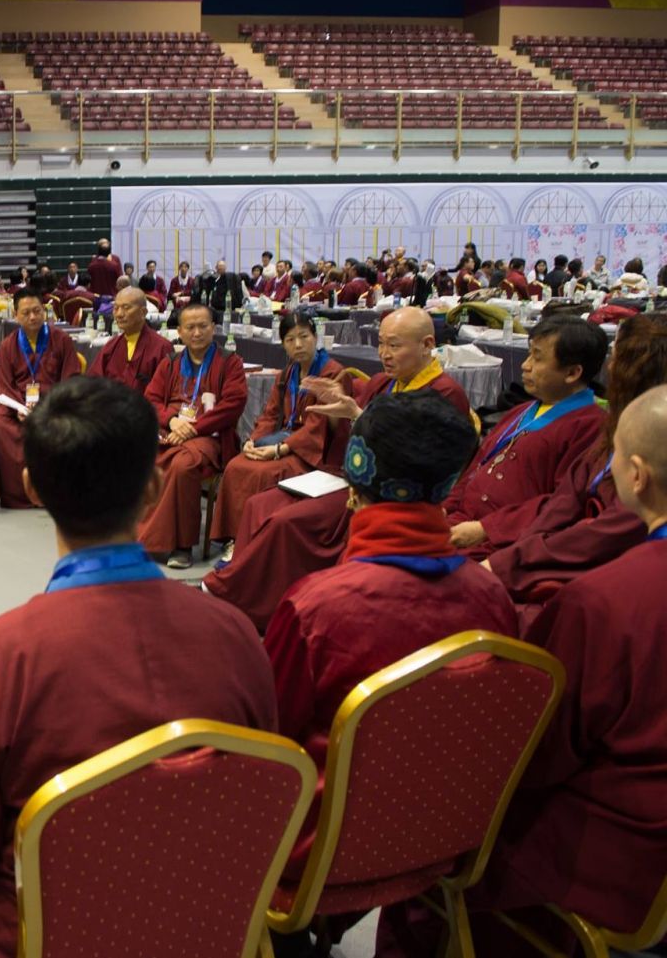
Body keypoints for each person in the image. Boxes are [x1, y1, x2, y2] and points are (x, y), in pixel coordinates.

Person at [0, 377, 276, 958]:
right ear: (155, 485)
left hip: (52, 929)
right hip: (202, 907)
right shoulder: (237, 635)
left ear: (32, 487)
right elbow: (258, 786)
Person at [446, 384, 667, 948]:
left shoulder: (607, 599)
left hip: (615, 846)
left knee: (437, 837)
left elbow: (542, 746)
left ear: (635, 475)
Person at [265, 391, 515, 758]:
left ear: (354, 483)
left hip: (336, 792)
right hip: (461, 789)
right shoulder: (492, 595)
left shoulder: (313, 608)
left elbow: (271, 731)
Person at [202, 307, 473, 629]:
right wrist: (343, 409)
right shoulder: (383, 382)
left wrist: (355, 414)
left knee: (285, 522)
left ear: (427, 344)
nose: (384, 354)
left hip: (384, 495)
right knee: (260, 503)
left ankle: (257, 606)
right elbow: (340, 423)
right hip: (350, 478)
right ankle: (242, 590)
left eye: (394, 345)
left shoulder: (444, 393)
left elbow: (413, 456)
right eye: (381, 344)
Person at [476, 313, 667, 614]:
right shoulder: (611, 429)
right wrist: (516, 552)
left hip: (598, 572)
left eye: (616, 356)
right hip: (536, 550)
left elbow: (605, 534)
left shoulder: (616, 430)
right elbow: (564, 500)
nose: (609, 367)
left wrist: (509, 560)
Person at [444, 317, 610, 558]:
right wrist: (444, 508)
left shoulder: (591, 427)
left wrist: (486, 529)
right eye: (529, 354)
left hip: (506, 543)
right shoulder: (520, 411)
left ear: (573, 372)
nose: (525, 365)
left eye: (537, 358)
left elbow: (564, 504)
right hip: (460, 523)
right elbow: (475, 468)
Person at [210, 311, 349, 559]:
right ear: (283, 344)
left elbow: (318, 427)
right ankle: (236, 538)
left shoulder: (334, 374)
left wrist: (280, 449)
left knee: (264, 473)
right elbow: (270, 414)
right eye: (290, 340)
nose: (298, 345)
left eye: (304, 337)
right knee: (236, 466)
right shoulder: (287, 373)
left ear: (315, 337)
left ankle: (256, 541)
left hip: (314, 450)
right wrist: (253, 441)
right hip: (285, 439)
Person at [139, 303, 247, 568]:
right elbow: (151, 399)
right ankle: (144, 537)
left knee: (182, 466)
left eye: (203, 326)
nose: (197, 333)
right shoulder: (170, 362)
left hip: (210, 437)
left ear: (214, 328)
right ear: (180, 331)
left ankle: (182, 546)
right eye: (190, 327)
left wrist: (194, 428)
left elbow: (233, 404)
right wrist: (172, 420)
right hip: (173, 431)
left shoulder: (229, 363)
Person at [0, 289, 82, 509]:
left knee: (67, 427)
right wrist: (19, 410)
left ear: (45, 311)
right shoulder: (7, 346)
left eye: (37, 311)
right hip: (19, 411)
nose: (33, 317)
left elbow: (71, 379)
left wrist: (50, 407)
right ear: (16, 315)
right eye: (26, 312)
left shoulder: (62, 340)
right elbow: (4, 386)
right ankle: (16, 495)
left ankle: (54, 493)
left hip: (53, 409)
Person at [86, 286, 172, 393]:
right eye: (116, 308)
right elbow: (93, 382)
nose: (119, 314)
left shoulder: (162, 347)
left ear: (143, 312)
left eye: (126, 308)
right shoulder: (111, 346)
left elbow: (166, 391)